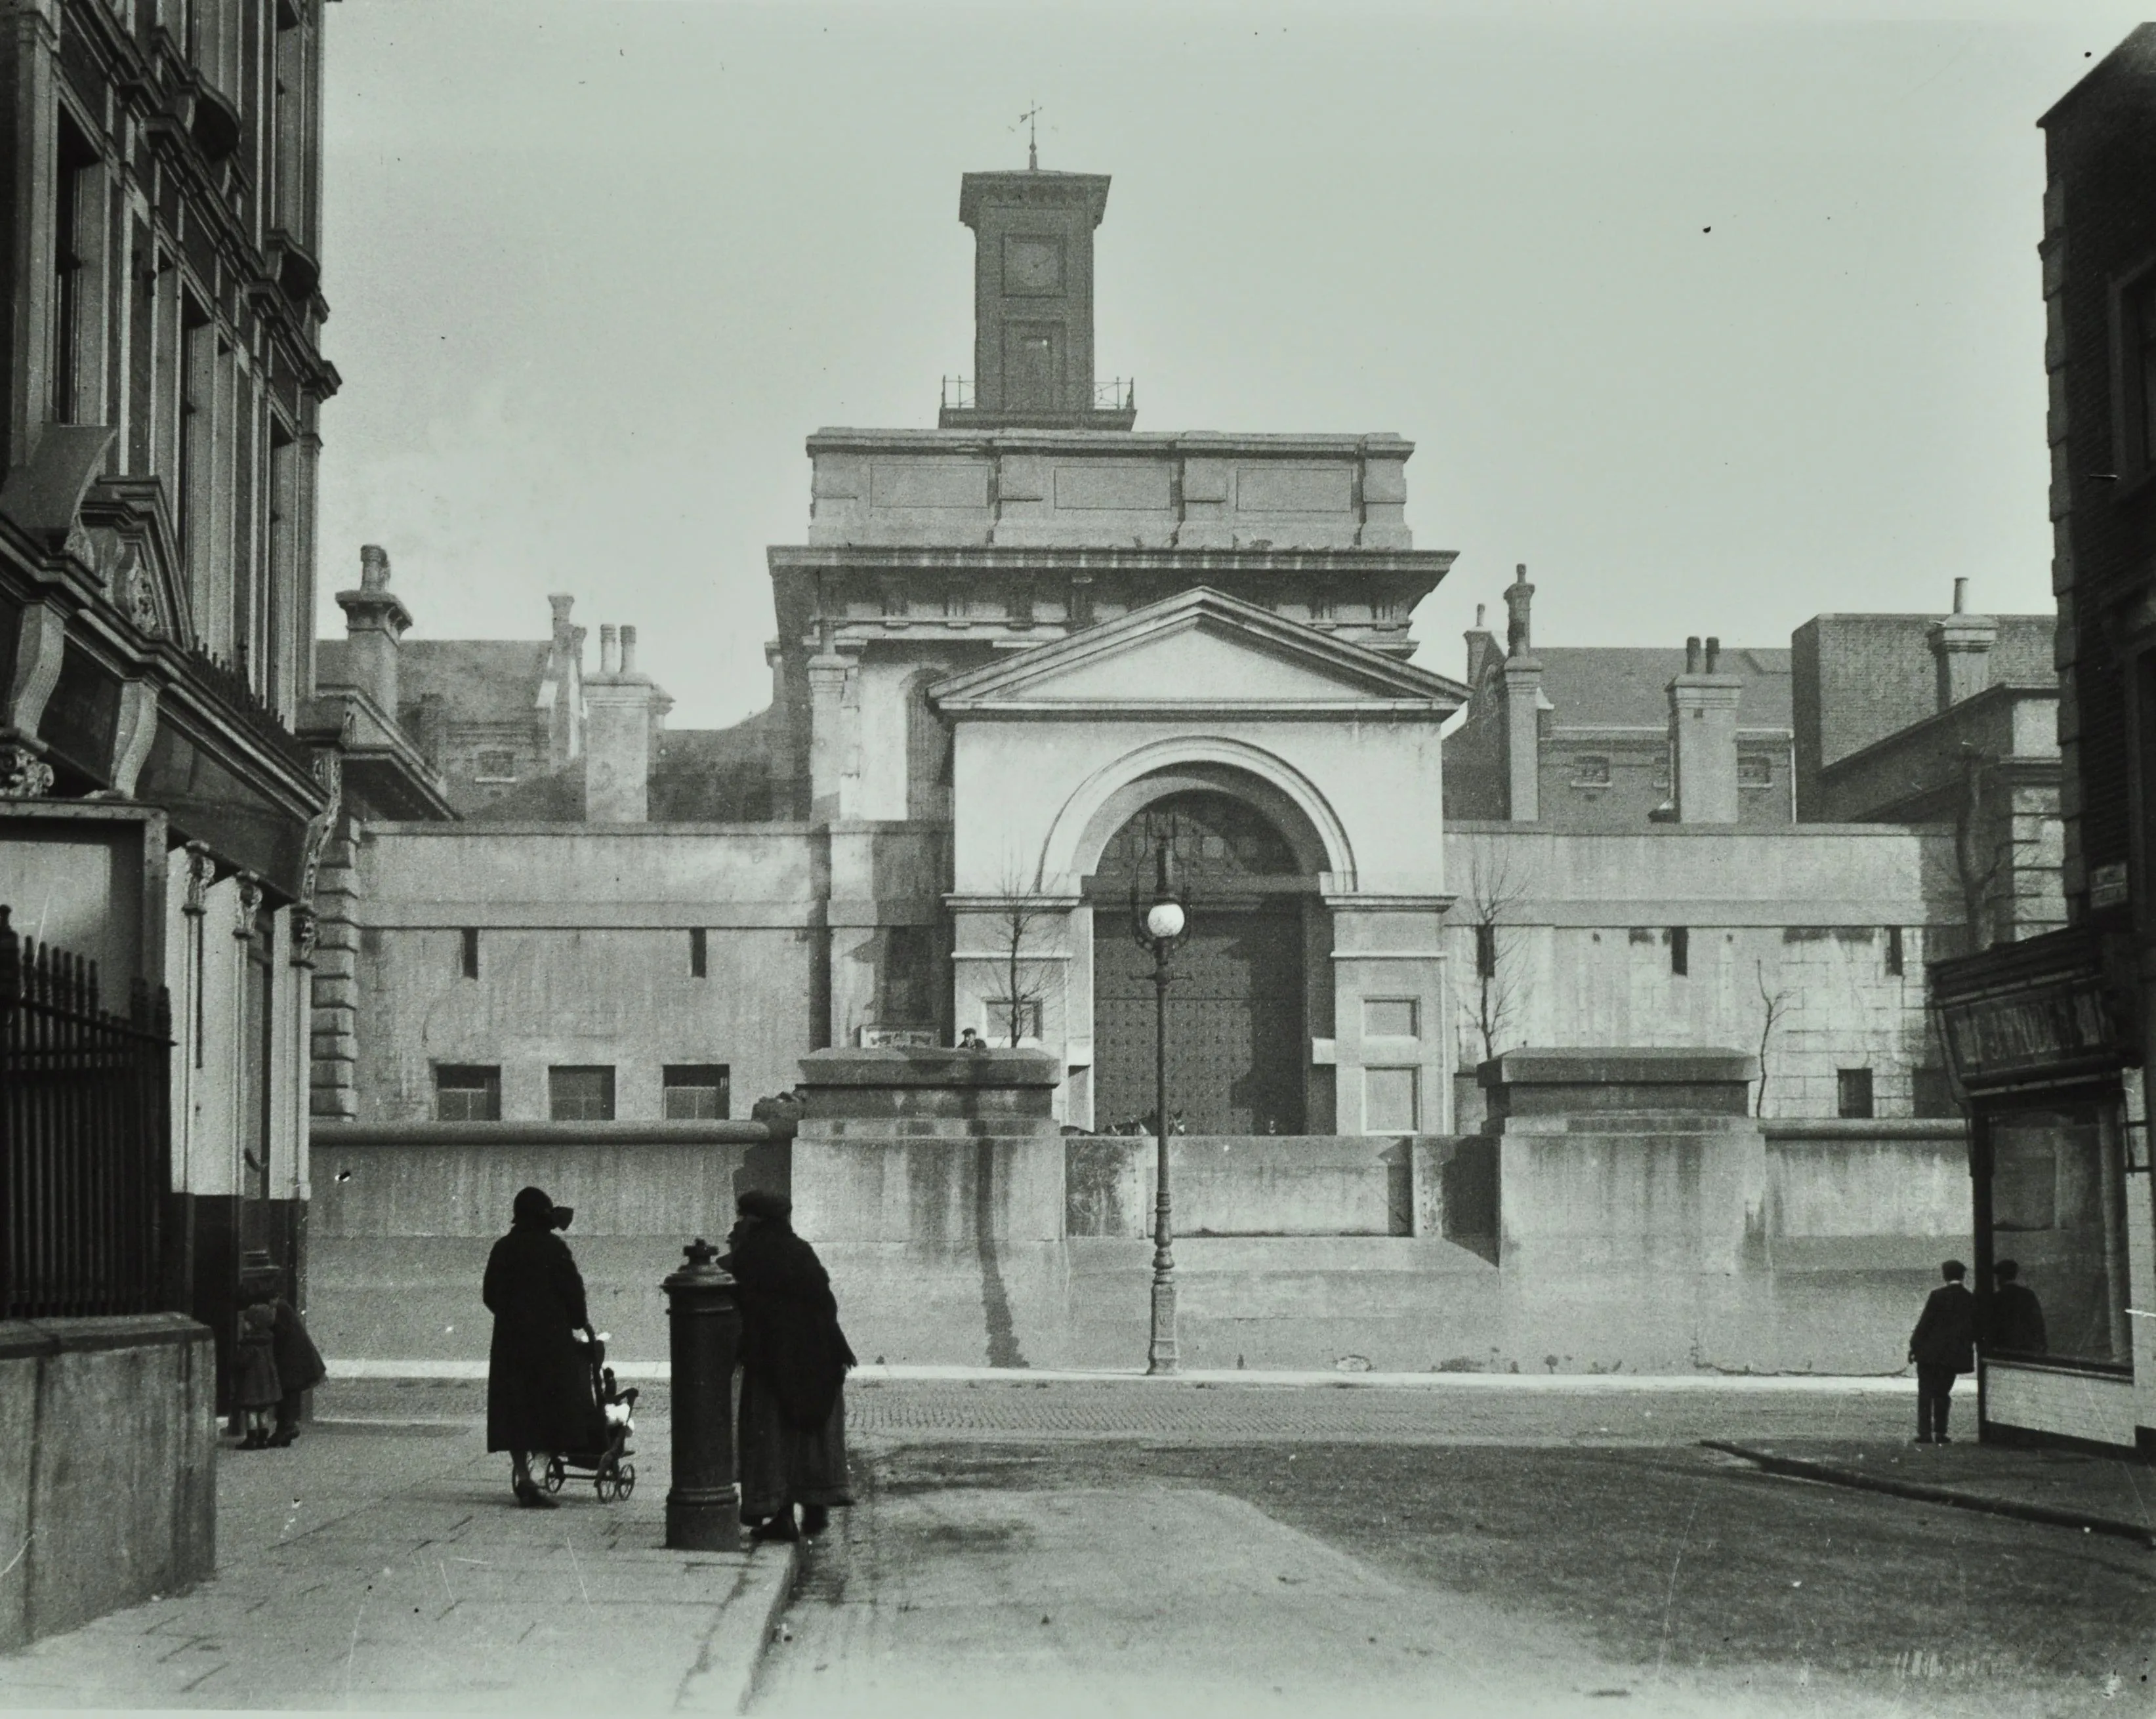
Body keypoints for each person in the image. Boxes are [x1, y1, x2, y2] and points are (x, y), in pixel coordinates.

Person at [720, 1190, 856, 1542]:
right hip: (821, 1357)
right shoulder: (801, 1250)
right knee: (811, 1436)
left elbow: (735, 1289)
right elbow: (826, 1303)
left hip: (775, 1362)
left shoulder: (752, 1254)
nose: (739, 1222)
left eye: (743, 1216)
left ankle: (781, 1517)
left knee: (772, 1438)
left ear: (755, 1219)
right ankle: (814, 1507)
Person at [483, 1186, 606, 1506]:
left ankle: (524, 1475)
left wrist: (512, 1316)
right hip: (550, 1341)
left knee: (516, 1407)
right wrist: (578, 1321)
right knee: (551, 1404)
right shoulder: (554, 1248)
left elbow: (490, 1294)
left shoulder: (503, 1248)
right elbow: (573, 1292)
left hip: (510, 1341)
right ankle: (537, 1476)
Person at [240, 1277, 328, 1447]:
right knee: (288, 1393)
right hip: (297, 1358)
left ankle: (286, 1428)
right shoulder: (281, 1307)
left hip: (291, 1360)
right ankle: (285, 1429)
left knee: (287, 1393)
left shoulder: (275, 1310)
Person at [1907, 1258, 1978, 1444]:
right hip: (1952, 1357)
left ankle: (1924, 1433)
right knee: (1943, 1393)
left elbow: (1925, 1324)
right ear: (1963, 1276)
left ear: (1944, 1275)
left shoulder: (1937, 1296)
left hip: (1929, 1355)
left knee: (1925, 1393)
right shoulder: (1969, 1299)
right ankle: (1941, 1432)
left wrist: (1914, 1347)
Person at [233, 1302, 282, 1450]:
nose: (243, 1325)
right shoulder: (268, 1341)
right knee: (263, 1411)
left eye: (246, 1322)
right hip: (266, 1383)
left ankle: (251, 1439)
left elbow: (241, 1362)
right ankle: (263, 1438)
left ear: (253, 1324)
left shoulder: (249, 1344)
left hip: (251, 1383)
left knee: (251, 1412)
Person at [1989, 1259, 2048, 1355]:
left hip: (2004, 1348)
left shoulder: (1996, 1298)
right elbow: (2038, 1322)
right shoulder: (2028, 1295)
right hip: (2027, 1347)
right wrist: (2042, 1344)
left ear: (2000, 1278)